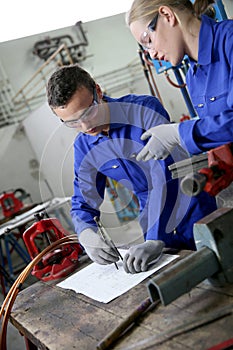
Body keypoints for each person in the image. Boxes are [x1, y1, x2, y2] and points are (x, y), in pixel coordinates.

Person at [46, 64, 216, 274]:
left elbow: (163, 174)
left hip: (192, 206)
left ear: (98, 92)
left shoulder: (143, 110)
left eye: (87, 113)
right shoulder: (84, 146)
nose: (85, 127)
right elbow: (83, 199)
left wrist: (155, 237)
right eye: (72, 122)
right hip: (151, 220)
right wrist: (85, 232)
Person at [126, 0, 233, 161]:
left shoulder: (229, 40)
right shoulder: (193, 77)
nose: (152, 54)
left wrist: (179, 133)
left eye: (148, 40)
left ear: (167, 15)